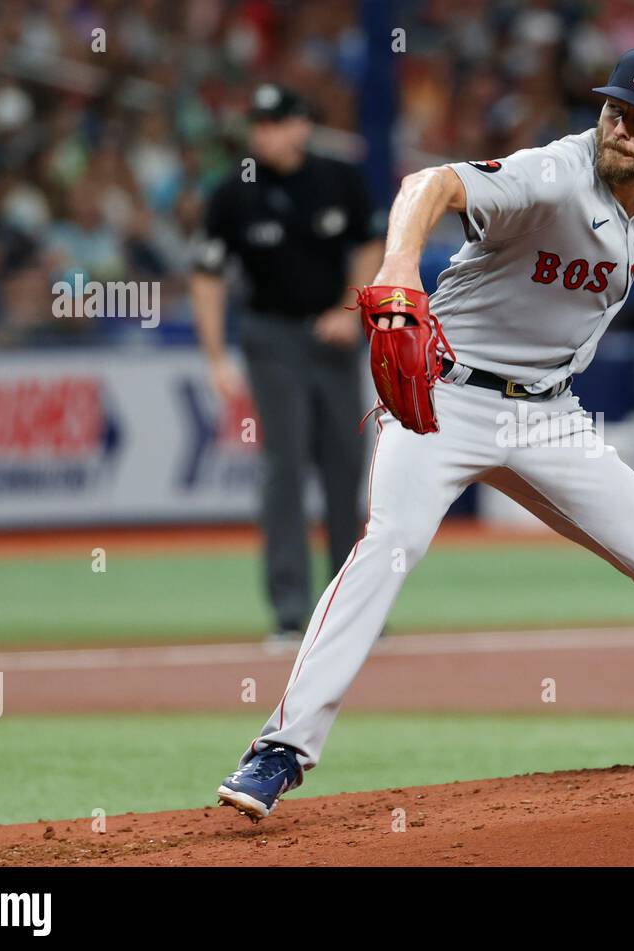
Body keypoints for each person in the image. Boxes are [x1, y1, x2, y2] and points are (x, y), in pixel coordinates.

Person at [217, 49, 634, 821]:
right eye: (613, 110)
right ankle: (280, 749)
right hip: (448, 399)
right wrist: (401, 260)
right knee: (386, 548)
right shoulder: (551, 172)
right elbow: (427, 183)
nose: (620, 129)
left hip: (550, 417)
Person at [191, 85, 383, 642]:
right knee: (286, 466)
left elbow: (372, 245)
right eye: (259, 124)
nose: (265, 134)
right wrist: (213, 355)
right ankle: (290, 612)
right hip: (271, 336)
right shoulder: (235, 192)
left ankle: (355, 609)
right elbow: (206, 274)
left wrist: (351, 308)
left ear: (302, 125)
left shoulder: (338, 178)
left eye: (276, 123)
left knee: (348, 466)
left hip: (335, 341)